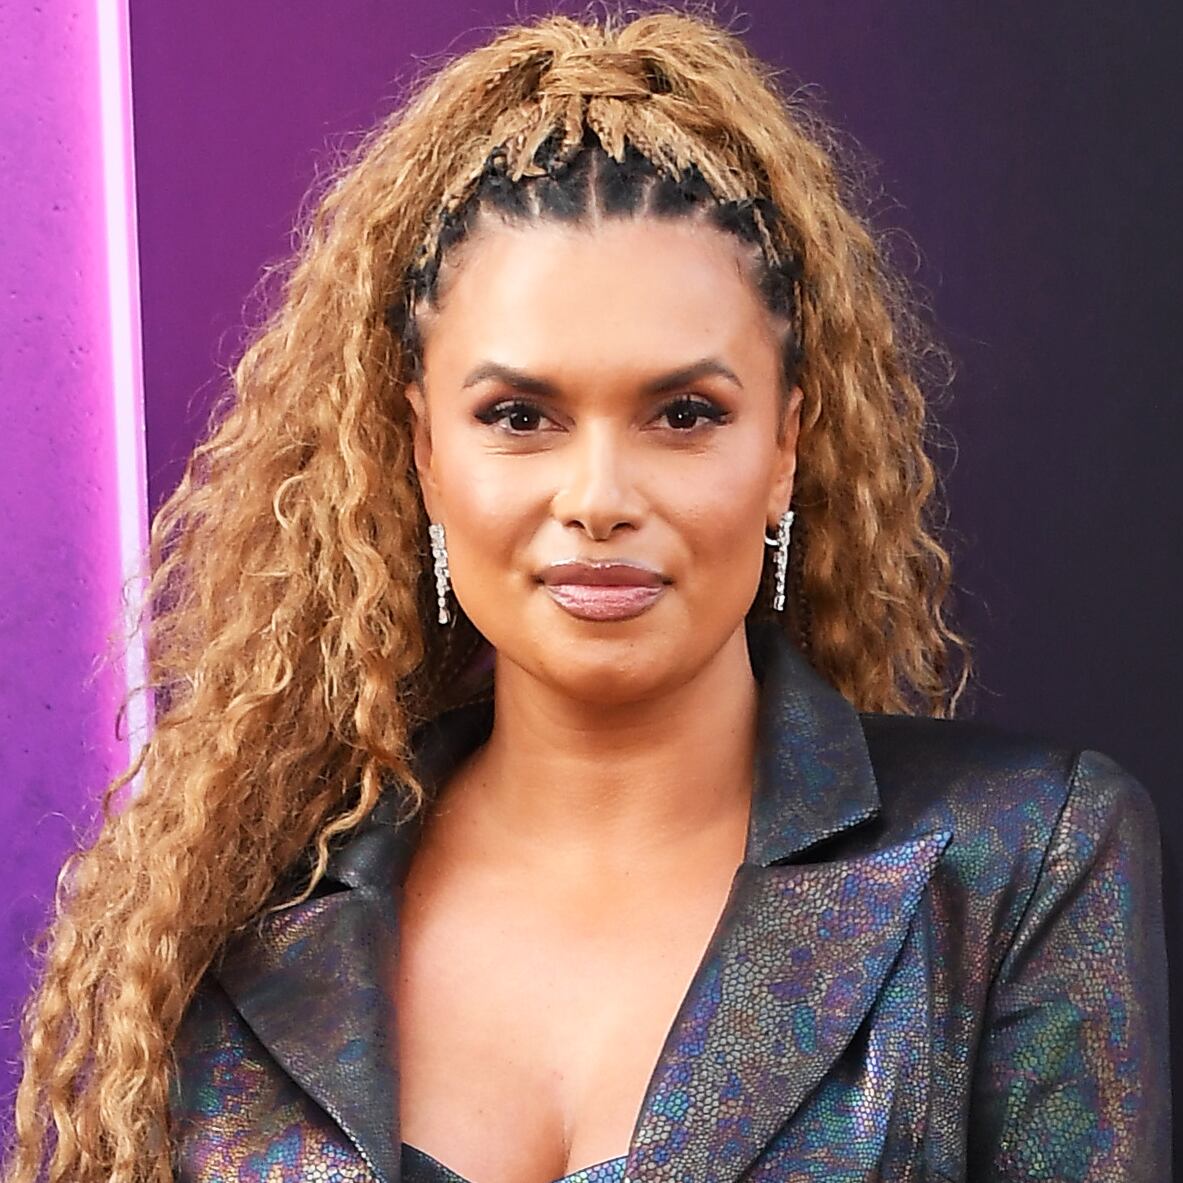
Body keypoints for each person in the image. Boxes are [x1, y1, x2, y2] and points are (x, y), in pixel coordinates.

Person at [1, 9, 1170, 1183]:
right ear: (422, 453)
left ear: (784, 447)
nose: (599, 497)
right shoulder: (244, 917)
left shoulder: (1025, 862)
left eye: (684, 414)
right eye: (520, 417)